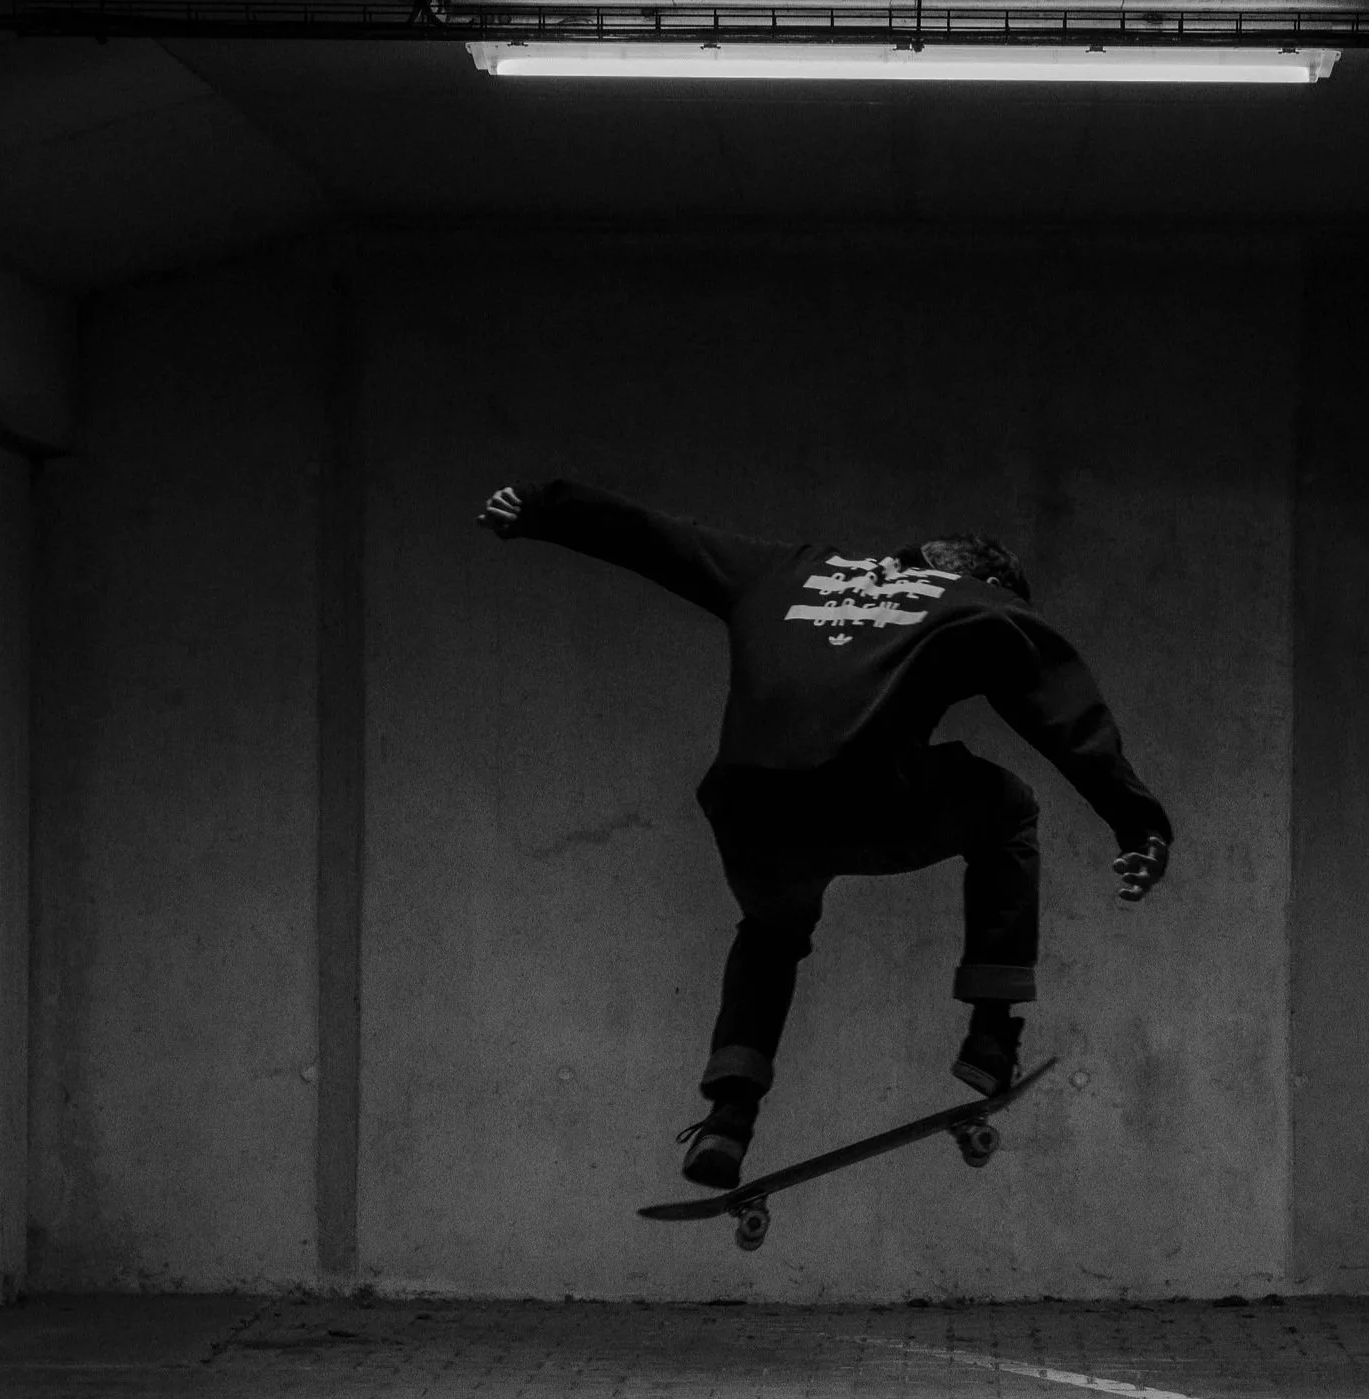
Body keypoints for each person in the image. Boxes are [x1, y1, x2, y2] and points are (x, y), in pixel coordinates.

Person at [477, 480, 1172, 1189]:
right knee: (1009, 809)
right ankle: (992, 1036)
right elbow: (1062, 711)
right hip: (863, 797)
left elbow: (661, 538)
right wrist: (1137, 822)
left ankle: (727, 1121)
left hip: (750, 811)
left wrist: (543, 509)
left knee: (771, 933)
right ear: (990, 580)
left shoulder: (786, 569)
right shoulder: (981, 601)